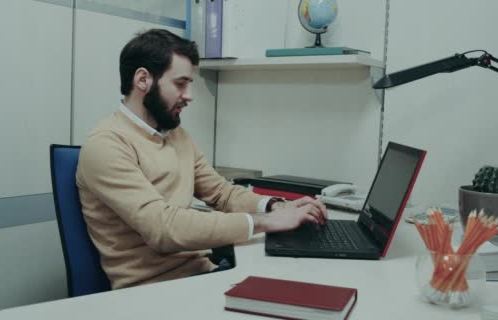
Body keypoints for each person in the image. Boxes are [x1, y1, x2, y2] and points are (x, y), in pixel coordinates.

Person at [76, 29, 327, 289]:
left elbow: (221, 193)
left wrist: (276, 207)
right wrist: (268, 222)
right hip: (153, 292)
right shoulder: (106, 144)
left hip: (203, 275)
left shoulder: (176, 135)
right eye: (180, 83)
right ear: (143, 80)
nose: (189, 96)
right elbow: (164, 229)